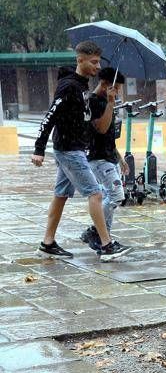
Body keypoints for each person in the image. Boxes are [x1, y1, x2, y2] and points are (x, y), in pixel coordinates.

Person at [31, 41, 132, 262]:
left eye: (98, 62)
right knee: (95, 194)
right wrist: (39, 148)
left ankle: (47, 243)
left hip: (74, 148)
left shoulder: (82, 86)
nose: (97, 66)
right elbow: (51, 115)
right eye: (93, 62)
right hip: (69, 150)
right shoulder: (69, 86)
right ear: (80, 60)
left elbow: (95, 123)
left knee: (61, 196)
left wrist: (110, 103)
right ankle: (106, 245)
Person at [79, 67, 130, 251]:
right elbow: (100, 128)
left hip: (109, 157)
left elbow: (109, 136)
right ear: (105, 85)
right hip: (98, 159)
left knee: (111, 196)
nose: (118, 92)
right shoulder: (93, 102)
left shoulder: (106, 102)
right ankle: (95, 230)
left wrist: (121, 159)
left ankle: (104, 239)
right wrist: (110, 103)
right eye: (116, 88)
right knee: (116, 196)